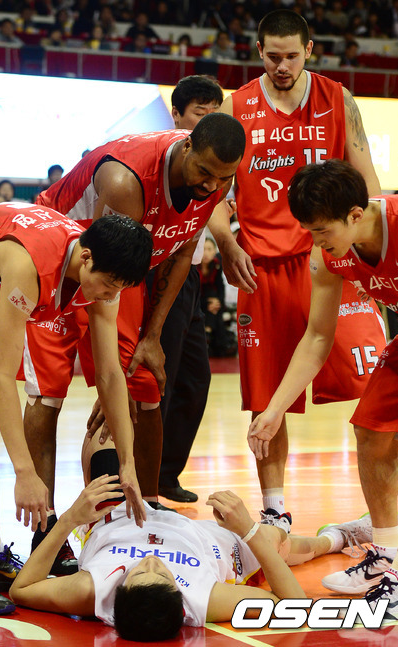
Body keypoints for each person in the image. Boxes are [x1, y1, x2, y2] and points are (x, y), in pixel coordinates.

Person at [24, 113, 246, 569]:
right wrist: (111, 376)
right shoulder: (126, 181)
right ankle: (47, 530)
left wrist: (152, 336)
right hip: (60, 264)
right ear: (187, 147)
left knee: (143, 382)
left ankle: (144, 508)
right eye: (205, 173)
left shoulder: (215, 179)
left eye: (223, 179)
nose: (211, 186)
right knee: (51, 397)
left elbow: (182, 251)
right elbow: (107, 272)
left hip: (118, 275)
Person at [0, 203, 152, 615]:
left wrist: (128, 462)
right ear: (86, 258)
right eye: (109, 285)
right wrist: (24, 472)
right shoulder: (28, 265)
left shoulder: (104, 276)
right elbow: (3, 378)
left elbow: (111, 375)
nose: (110, 296)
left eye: (119, 289)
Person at [210, 8, 386, 532]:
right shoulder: (236, 105)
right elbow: (211, 189)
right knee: (267, 401)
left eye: (292, 56)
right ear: (258, 51)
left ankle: (386, 515)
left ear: (309, 50)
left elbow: (368, 183)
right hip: (263, 269)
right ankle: (275, 510)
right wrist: (226, 242)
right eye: (272, 56)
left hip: (333, 259)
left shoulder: (338, 99)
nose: (282, 66)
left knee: (381, 384)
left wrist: (371, 258)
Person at [10, 429, 374, 641]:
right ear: (181, 597)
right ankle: (339, 537)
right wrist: (248, 530)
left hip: (122, 516)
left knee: (103, 433)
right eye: (160, 573)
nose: (150, 561)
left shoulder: (91, 592)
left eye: (138, 573)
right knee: (274, 540)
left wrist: (69, 519)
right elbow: (294, 605)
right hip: (203, 540)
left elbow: (21, 589)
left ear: (118, 592)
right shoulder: (203, 600)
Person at [248, 159, 398, 619]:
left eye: (321, 231)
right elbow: (318, 337)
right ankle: (384, 555)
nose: (314, 242)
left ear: (356, 214)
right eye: (309, 231)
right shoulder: (329, 255)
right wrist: (274, 409)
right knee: (371, 432)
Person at [152, 75, 224, 504]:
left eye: (215, 111)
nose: (209, 119)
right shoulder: (171, 158)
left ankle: (164, 474)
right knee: (159, 378)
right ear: (176, 115)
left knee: (195, 380)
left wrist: (228, 245)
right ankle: (144, 481)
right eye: (200, 112)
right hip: (161, 273)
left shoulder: (216, 162)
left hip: (191, 275)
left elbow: (214, 212)